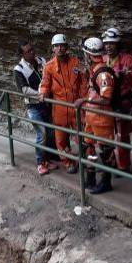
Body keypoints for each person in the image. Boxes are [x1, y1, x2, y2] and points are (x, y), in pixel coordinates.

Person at [39, 34, 87, 174]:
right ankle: (68, 162)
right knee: (61, 139)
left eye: (62, 45)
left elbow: (83, 82)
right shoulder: (48, 67)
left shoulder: (75, 62)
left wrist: (84, 99)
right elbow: (45, 83)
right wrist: (43, 93)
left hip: (76, 106)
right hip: (59, 108)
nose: (59, 48)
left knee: (83, 137)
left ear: (66, 47)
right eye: (56, 46)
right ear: (53, 48)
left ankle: (85, 161)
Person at [75, 37, 116, 194]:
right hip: (92, 118)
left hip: (102, 119)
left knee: (105, 151)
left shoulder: (103, 73)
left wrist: (84, 100)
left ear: (89, 54)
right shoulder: (94, 70)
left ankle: (106, 182)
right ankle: (90, 178)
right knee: (88, 147)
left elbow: (106, 98)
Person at [13, 40, 57, 175]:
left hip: (46, 104)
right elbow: (24, 90)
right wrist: (41, 94)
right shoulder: (19, 69)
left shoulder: (41, 61)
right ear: (22, 54)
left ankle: (47, 159)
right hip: (33, 106)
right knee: (42, 133)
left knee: (50, 132)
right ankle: (40, 163)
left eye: (32, 49)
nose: (32, 53)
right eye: (28, 51)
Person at [102, 28, 132, 175]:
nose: (108, 46)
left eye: (112, 43)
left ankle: (123, 165)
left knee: (122, 135)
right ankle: (111, 161)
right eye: (106, 43)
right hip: (106, 102)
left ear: (118, 44)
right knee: (107, 134)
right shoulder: (103, 59)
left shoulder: (128, 60)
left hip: (123, 101)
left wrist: (128, 76)